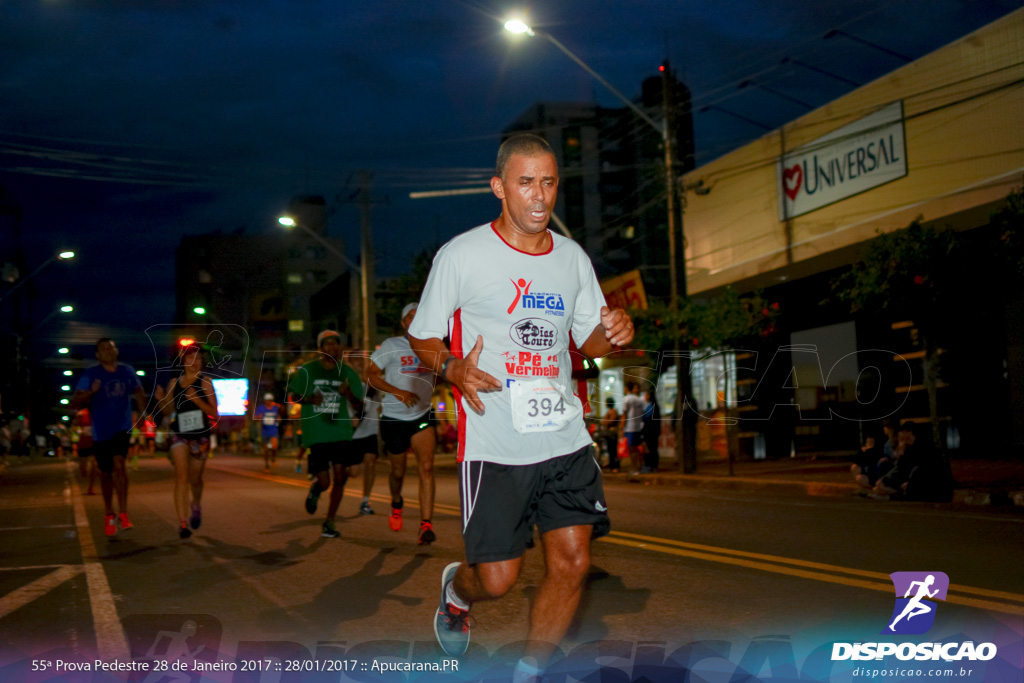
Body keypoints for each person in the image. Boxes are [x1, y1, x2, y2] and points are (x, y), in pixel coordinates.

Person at [407, 134, 634, 677]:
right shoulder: (461, 255)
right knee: (497, 579)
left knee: (574, 562)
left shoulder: (572, 259)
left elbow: (590, 341)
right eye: (526, 181)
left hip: (564, 438)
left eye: (550, 182)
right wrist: (453, 368)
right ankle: (456, 594)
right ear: (499, 187)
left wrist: (616, 330)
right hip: (495, 444)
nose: (540, 195)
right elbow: (422, 338)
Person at [368, 302, 438, 545]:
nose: (416, 318)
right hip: (394, 418)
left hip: (422, 415)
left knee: (426, 467)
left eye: (420, 314)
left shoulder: (434, 345)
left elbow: (443, 373)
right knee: (398, 472)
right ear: (403, 323)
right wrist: (397, 391)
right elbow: (370, 373)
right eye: (410, 315)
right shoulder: (392, 345)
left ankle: (425, 525)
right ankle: (396, 503)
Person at [287, 330, 365, 539]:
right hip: (317, 432)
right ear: (320, 348)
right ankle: (315, 489)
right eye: (327, 344)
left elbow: (360, 406)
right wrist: (310, 398)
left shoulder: (348, 373)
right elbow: (293, 395)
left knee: (340, 478)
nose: (331, 347)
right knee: (325, 482)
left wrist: (348, 394)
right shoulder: (308, 370)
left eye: (335, 344)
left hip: (340, 431)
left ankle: (329, 521)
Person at [72, 338, 147, 537]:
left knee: (120, 464)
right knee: (105, 473)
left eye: (110, 347)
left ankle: (123, 512)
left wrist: (142, 413)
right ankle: (108, 512)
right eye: (103, 349)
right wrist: (90, 392)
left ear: (116, 351)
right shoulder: (90, 374)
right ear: (97, 355)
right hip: (101, 431)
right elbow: (75, 401)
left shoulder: (127, 371)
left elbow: (139, 392)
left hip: (122, 426)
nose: (107, 351)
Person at [155, 343, 219, 539]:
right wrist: (160, 399)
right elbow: (168, 411)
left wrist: (197, 400)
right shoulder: (174, 383)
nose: (195, 362)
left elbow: (214, 414)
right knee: (181, 477)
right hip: (179, 434)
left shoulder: (205, 382)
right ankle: (183, 523)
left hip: (199, 435)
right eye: (190, 358)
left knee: (195, 479)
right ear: (183, 361)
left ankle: (196, 505)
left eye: (198, 359)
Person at [346, 350, 382, 516]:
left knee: (370, 462)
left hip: (370, 430)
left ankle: (365, 501)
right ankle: (341, 471)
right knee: (353, 472)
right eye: (355, 360)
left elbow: (379, 403)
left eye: (361, 360)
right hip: (352, 432)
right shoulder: (347, 382)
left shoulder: (371, 382)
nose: (359, 363)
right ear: (349, 363)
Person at [620, 381, 646, 475]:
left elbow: (624, 414)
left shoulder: (626, 399)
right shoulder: (639, 400)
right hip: (638, 426)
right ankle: (640, 466)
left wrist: (622, 427)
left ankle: (635, 468)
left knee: (631, 449)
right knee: (637, 448)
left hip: (630, 427)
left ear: (627, 388)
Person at [253, 393, 282, 472]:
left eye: (270, 400)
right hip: (265, 430)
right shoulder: (261, 408)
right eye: (267, 400)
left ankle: (273, 458)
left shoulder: (275, 408)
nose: (268, 402)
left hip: (273, 430)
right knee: (265, 450)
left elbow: (278, 416)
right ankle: (266, 464)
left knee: (274, 446)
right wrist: (259, 417)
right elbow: (255, 417)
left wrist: (279, 419)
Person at [73, 408, 98, 495]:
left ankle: (91, 487)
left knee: (94, 465)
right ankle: (83, 469)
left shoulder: (100, 411)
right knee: (83, 468)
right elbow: (75, 425)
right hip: (84, 442)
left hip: (95, 441)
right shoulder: (82, 413)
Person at [641, 389, 661, 473]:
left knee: (651, 448)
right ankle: (652, 465)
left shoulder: (652, 407)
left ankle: (651, 465)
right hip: (652, 431)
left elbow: (646, 418)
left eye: (646, 395)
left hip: (650, 431)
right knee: (651, 448)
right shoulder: (652, 406)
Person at [599, 398, 620, 471]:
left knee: (613, 450)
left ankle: (615, 466)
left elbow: (609, 421)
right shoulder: (609, 412)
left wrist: (604, 422)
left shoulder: (613, 412)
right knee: (610, 450)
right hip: (609, 433)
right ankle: (612, 465)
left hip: (612, 433)